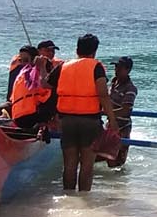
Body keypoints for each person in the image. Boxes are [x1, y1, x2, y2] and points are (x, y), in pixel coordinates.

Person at [49, 33, 120, 193]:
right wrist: (112, 120)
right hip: (90, 121)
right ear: (94, 51)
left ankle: (68, 197)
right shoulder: (96, 67)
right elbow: (103, 94)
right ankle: (83, 200)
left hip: (66, 120)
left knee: (69, 164)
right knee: (87, 166)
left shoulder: (63, 66)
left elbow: (46, 84)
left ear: (77, 50)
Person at [101, 56, 138, 169]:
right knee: (99, 154)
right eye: (116, 67)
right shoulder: (112, 83)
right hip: (110, 125)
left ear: (128, 70)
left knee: (116, 164)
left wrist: (107, 113)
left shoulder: (130, 88)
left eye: (120, 68)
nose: (116, 70)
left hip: (122, 127)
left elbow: (125, 110)